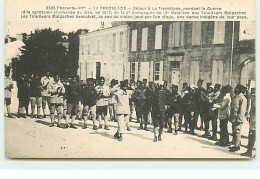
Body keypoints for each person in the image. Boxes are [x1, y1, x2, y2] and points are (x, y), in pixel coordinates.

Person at [229, 84, 247, 152]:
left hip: (238, 118)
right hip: (234, 117)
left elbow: (242, 110)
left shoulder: (242, 98)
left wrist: (239, 119)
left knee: (237, 131)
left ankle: (237, 146)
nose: (235, 90)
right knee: (234, 131)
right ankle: (236, 144)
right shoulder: (236, 97)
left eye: (237, 89)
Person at [241, 88, 256, 157]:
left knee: (252, 135)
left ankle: (249, 151)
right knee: (251, 135)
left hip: (255, 120)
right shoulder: (253, 98)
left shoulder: (254, 99)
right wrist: (248, 115)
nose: (253, 95)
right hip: (253, 119)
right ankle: (249, 151)